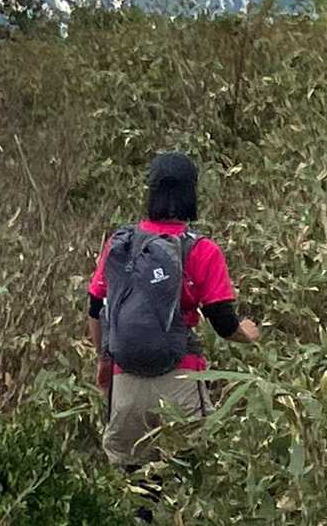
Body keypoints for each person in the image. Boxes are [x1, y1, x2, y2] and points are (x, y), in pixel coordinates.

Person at [86, 151, 260, 497]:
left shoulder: (121, 245)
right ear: (192, 193)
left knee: (135, 488)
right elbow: (223, 323)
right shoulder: (202, 250)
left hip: (125, 383)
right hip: (181, 381)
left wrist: (104, 360)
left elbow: (95, 308)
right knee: (187, 484)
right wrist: (250, 334)